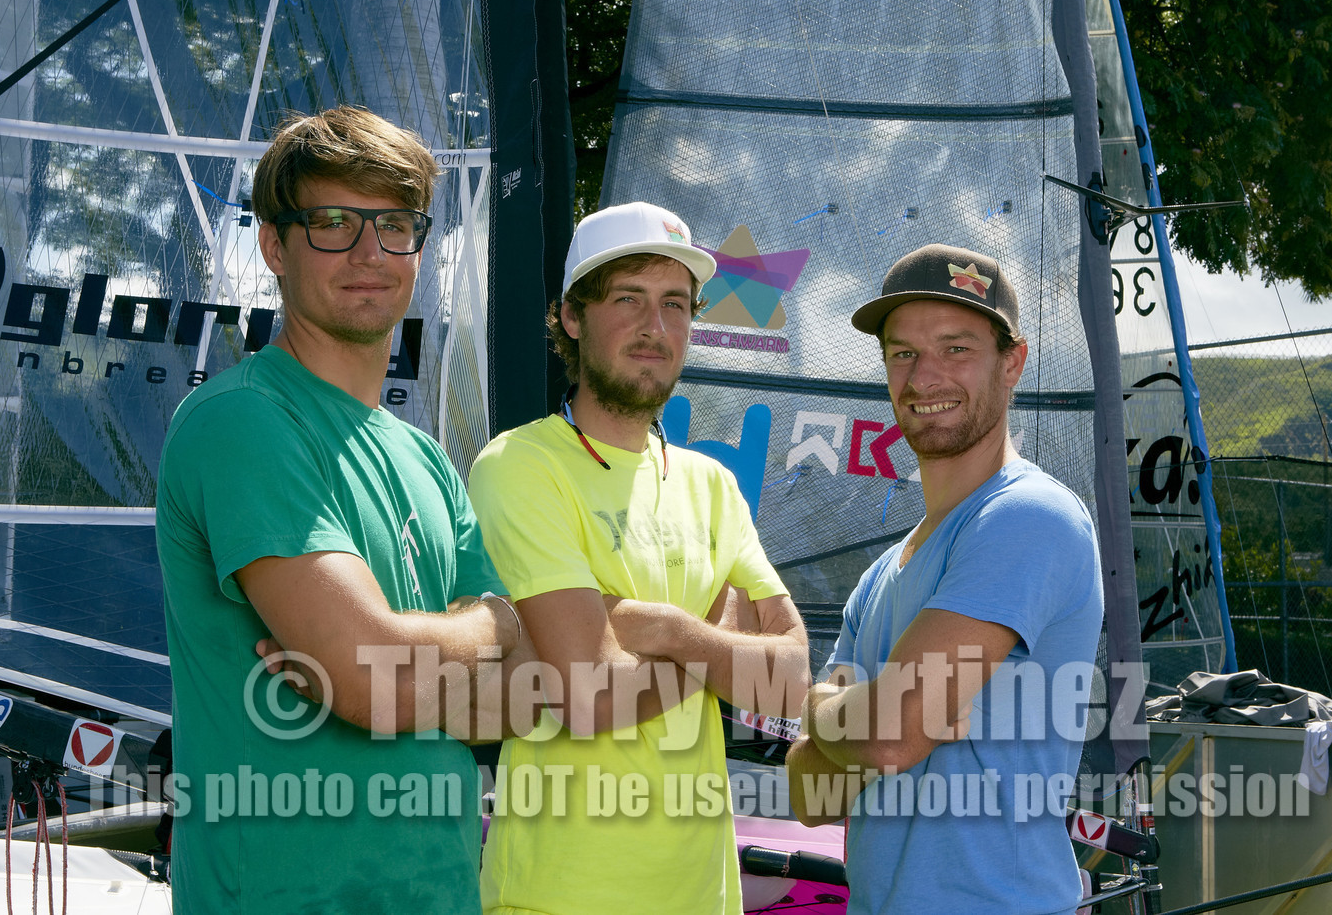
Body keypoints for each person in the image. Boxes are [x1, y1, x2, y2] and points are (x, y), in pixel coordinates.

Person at [156, 106, 525, 915]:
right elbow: (371, 678)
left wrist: (402, 666)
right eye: (332, 224)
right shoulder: (242, 421)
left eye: (394, 226)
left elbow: (522, 695)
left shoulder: (427, 458)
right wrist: (487, 626)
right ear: (273, 246)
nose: (370, 254)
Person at [467, 201, 810, 915]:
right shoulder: (520, 465)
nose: (656, 326)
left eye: (675, 304)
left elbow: (787, 684)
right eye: (628, 299)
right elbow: (590, 696)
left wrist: (661, 628)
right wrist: (718, 644)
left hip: (705, 895)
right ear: (572, 316)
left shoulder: (712, 485)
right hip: (558, 895)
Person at [786, 245, 1103, 915]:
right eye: (903, 353)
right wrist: (854, 717)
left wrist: (828, 712)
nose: (925, 376)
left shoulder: (1028, 516)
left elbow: (888, 736)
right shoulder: (878, 578)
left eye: (956, 348)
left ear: (1012, 363)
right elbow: (810, 795)